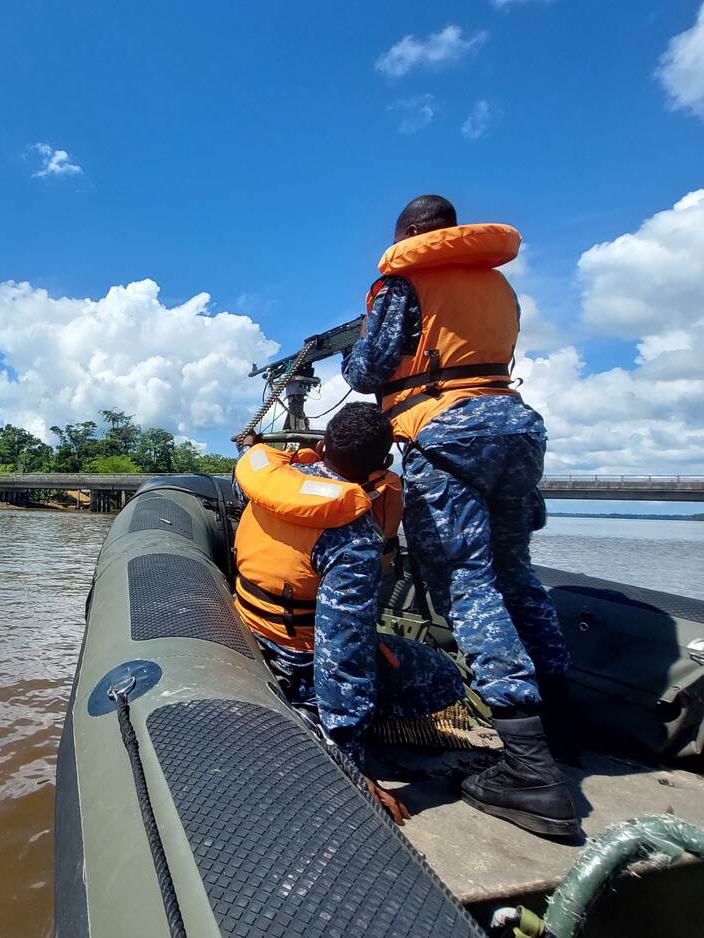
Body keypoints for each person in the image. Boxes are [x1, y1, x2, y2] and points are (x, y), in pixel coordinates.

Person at [341, 194, 579, 840]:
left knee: (466, 582)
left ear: (414, 233)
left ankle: (529, 769)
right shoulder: (499, 286)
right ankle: (561, 725)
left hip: (448, 432)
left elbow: (369, 370)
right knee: (515, 574)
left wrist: (354, 352)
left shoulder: (403, 281)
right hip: (516, 429)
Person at [234, 402, 464, 826]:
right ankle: (311, 718)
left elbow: (249, 466)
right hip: (297, 658)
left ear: (322, 446)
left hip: (249, 628)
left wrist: (253, 445)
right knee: (444, 678)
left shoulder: (267, 484)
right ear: (383, 465)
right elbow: (342, 650)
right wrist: (350, 763)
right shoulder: (353, 536)